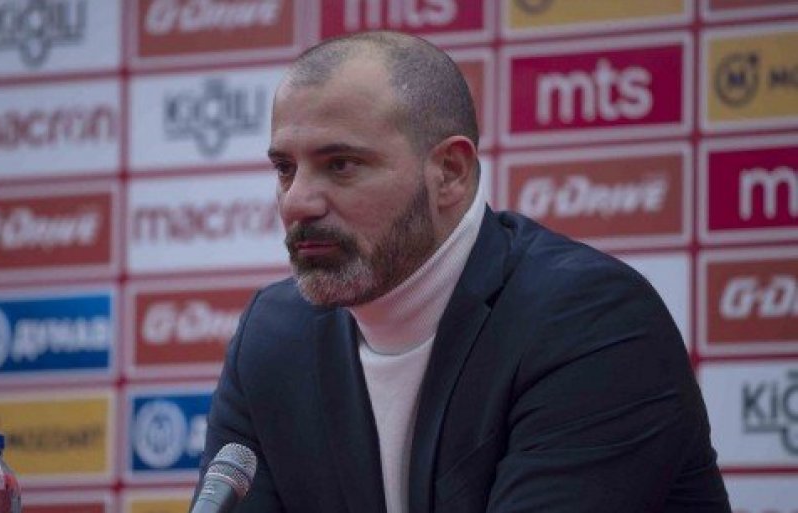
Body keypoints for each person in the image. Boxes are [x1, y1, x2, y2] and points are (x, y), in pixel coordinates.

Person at [201, 31, 731, 513]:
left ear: (450, 172)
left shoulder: (591, 320)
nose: (297, 202)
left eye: (341, 164)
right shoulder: (273, 339)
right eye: (285, 169)